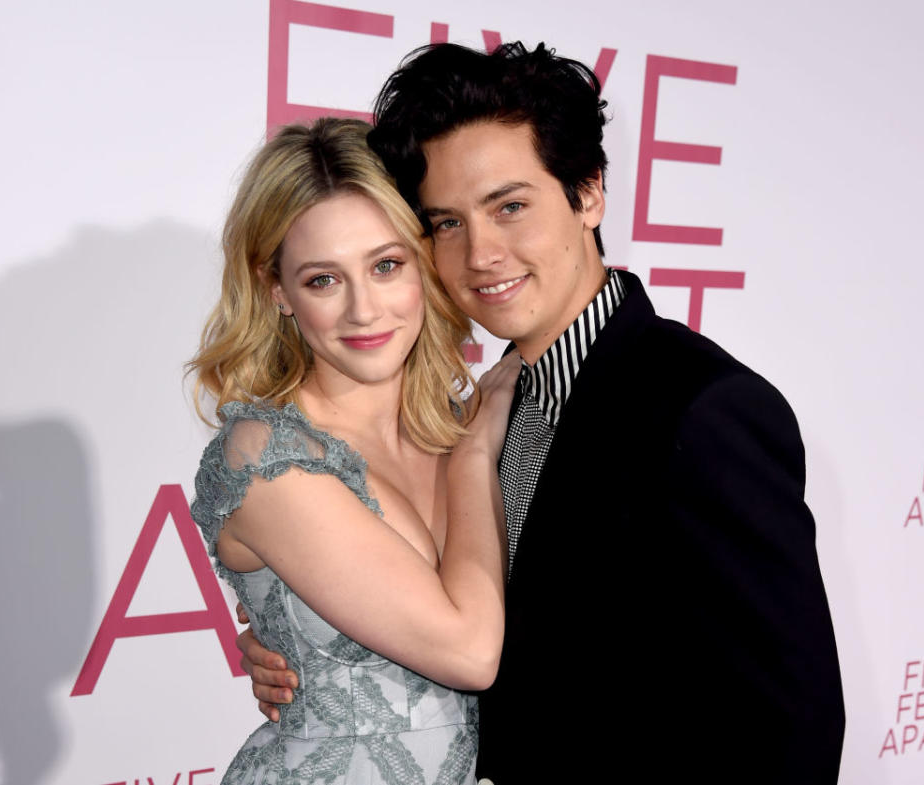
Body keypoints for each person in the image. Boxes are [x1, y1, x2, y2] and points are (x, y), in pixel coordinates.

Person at [240, 43, 846, 783]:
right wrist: (310, 645)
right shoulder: (472, 411)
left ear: (589, 192)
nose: (483, 253)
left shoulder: (702, 411)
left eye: (510, 206)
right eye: (447, 224)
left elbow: (792, 729)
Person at [189, 117, 519, 785]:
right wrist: (473, 458)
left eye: (386, 265)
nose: (364, 310)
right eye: (323, 280)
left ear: (422, 262)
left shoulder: (471, 423)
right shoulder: (266, 457)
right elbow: (470, 651)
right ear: (276, 288)